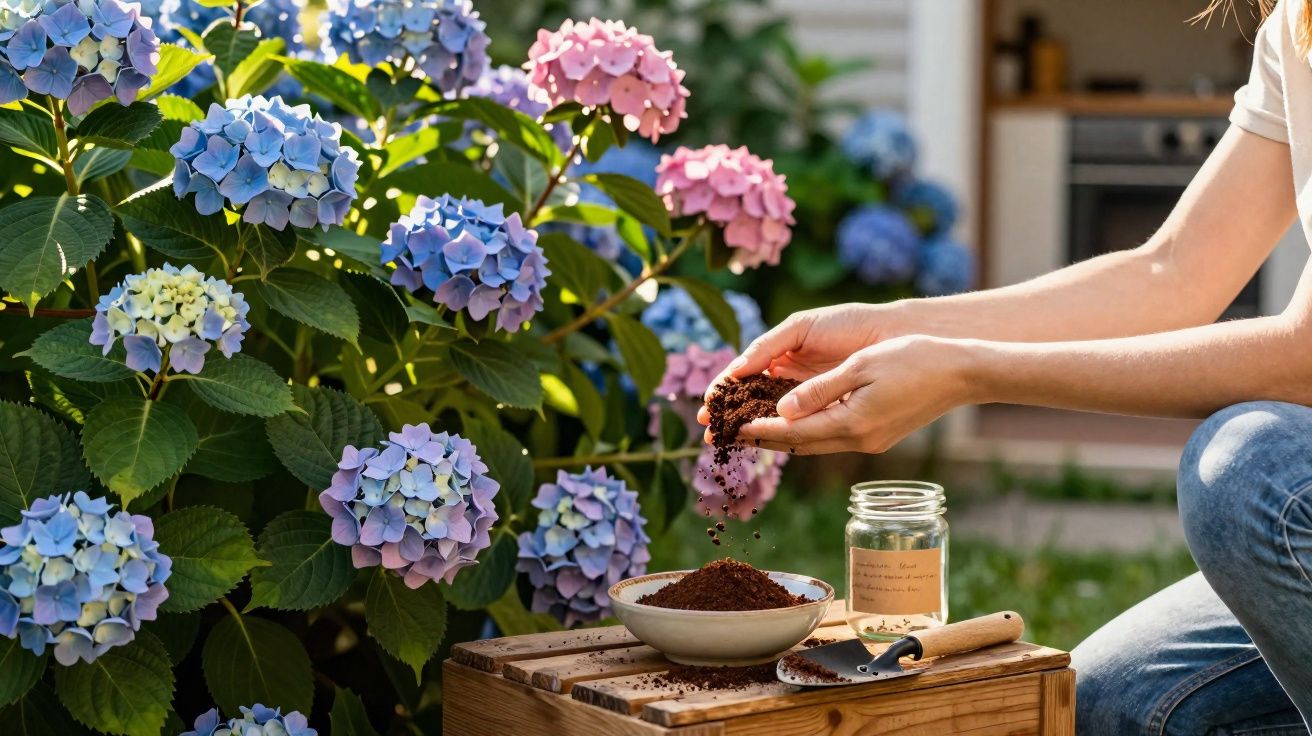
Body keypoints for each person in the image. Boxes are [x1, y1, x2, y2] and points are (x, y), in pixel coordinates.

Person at [698, 1, 1312, 733]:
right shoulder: (1295, 30)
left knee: (1249, 473)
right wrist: (890, 326)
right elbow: (1173, 273)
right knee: (1123, 703)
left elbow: (1303, 360)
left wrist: (970, 372)